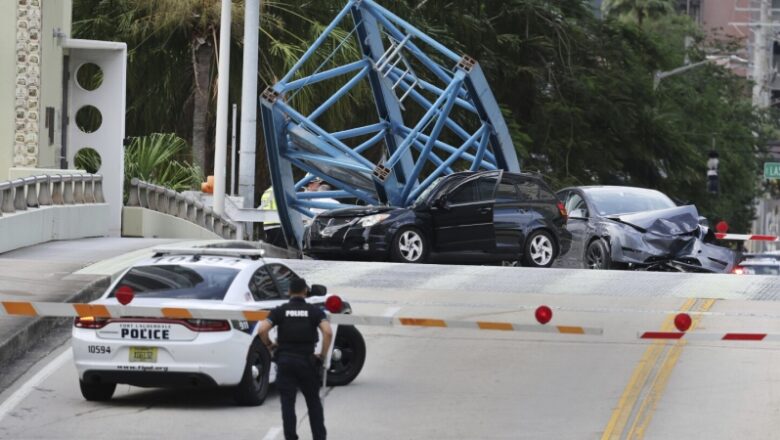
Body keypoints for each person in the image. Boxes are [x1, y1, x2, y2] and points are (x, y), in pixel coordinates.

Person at [259, 277, 333, 440]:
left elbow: (262, 329)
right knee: (313, 402)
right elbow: (327, 332)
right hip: (307, 361)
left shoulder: (281, 310)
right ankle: (319, 437)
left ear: (289, 292)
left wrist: (270, 346)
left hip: (285, 361)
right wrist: (322, 356)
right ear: (305, 292)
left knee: (287, 403)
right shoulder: (314, 311)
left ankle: (290, 437)